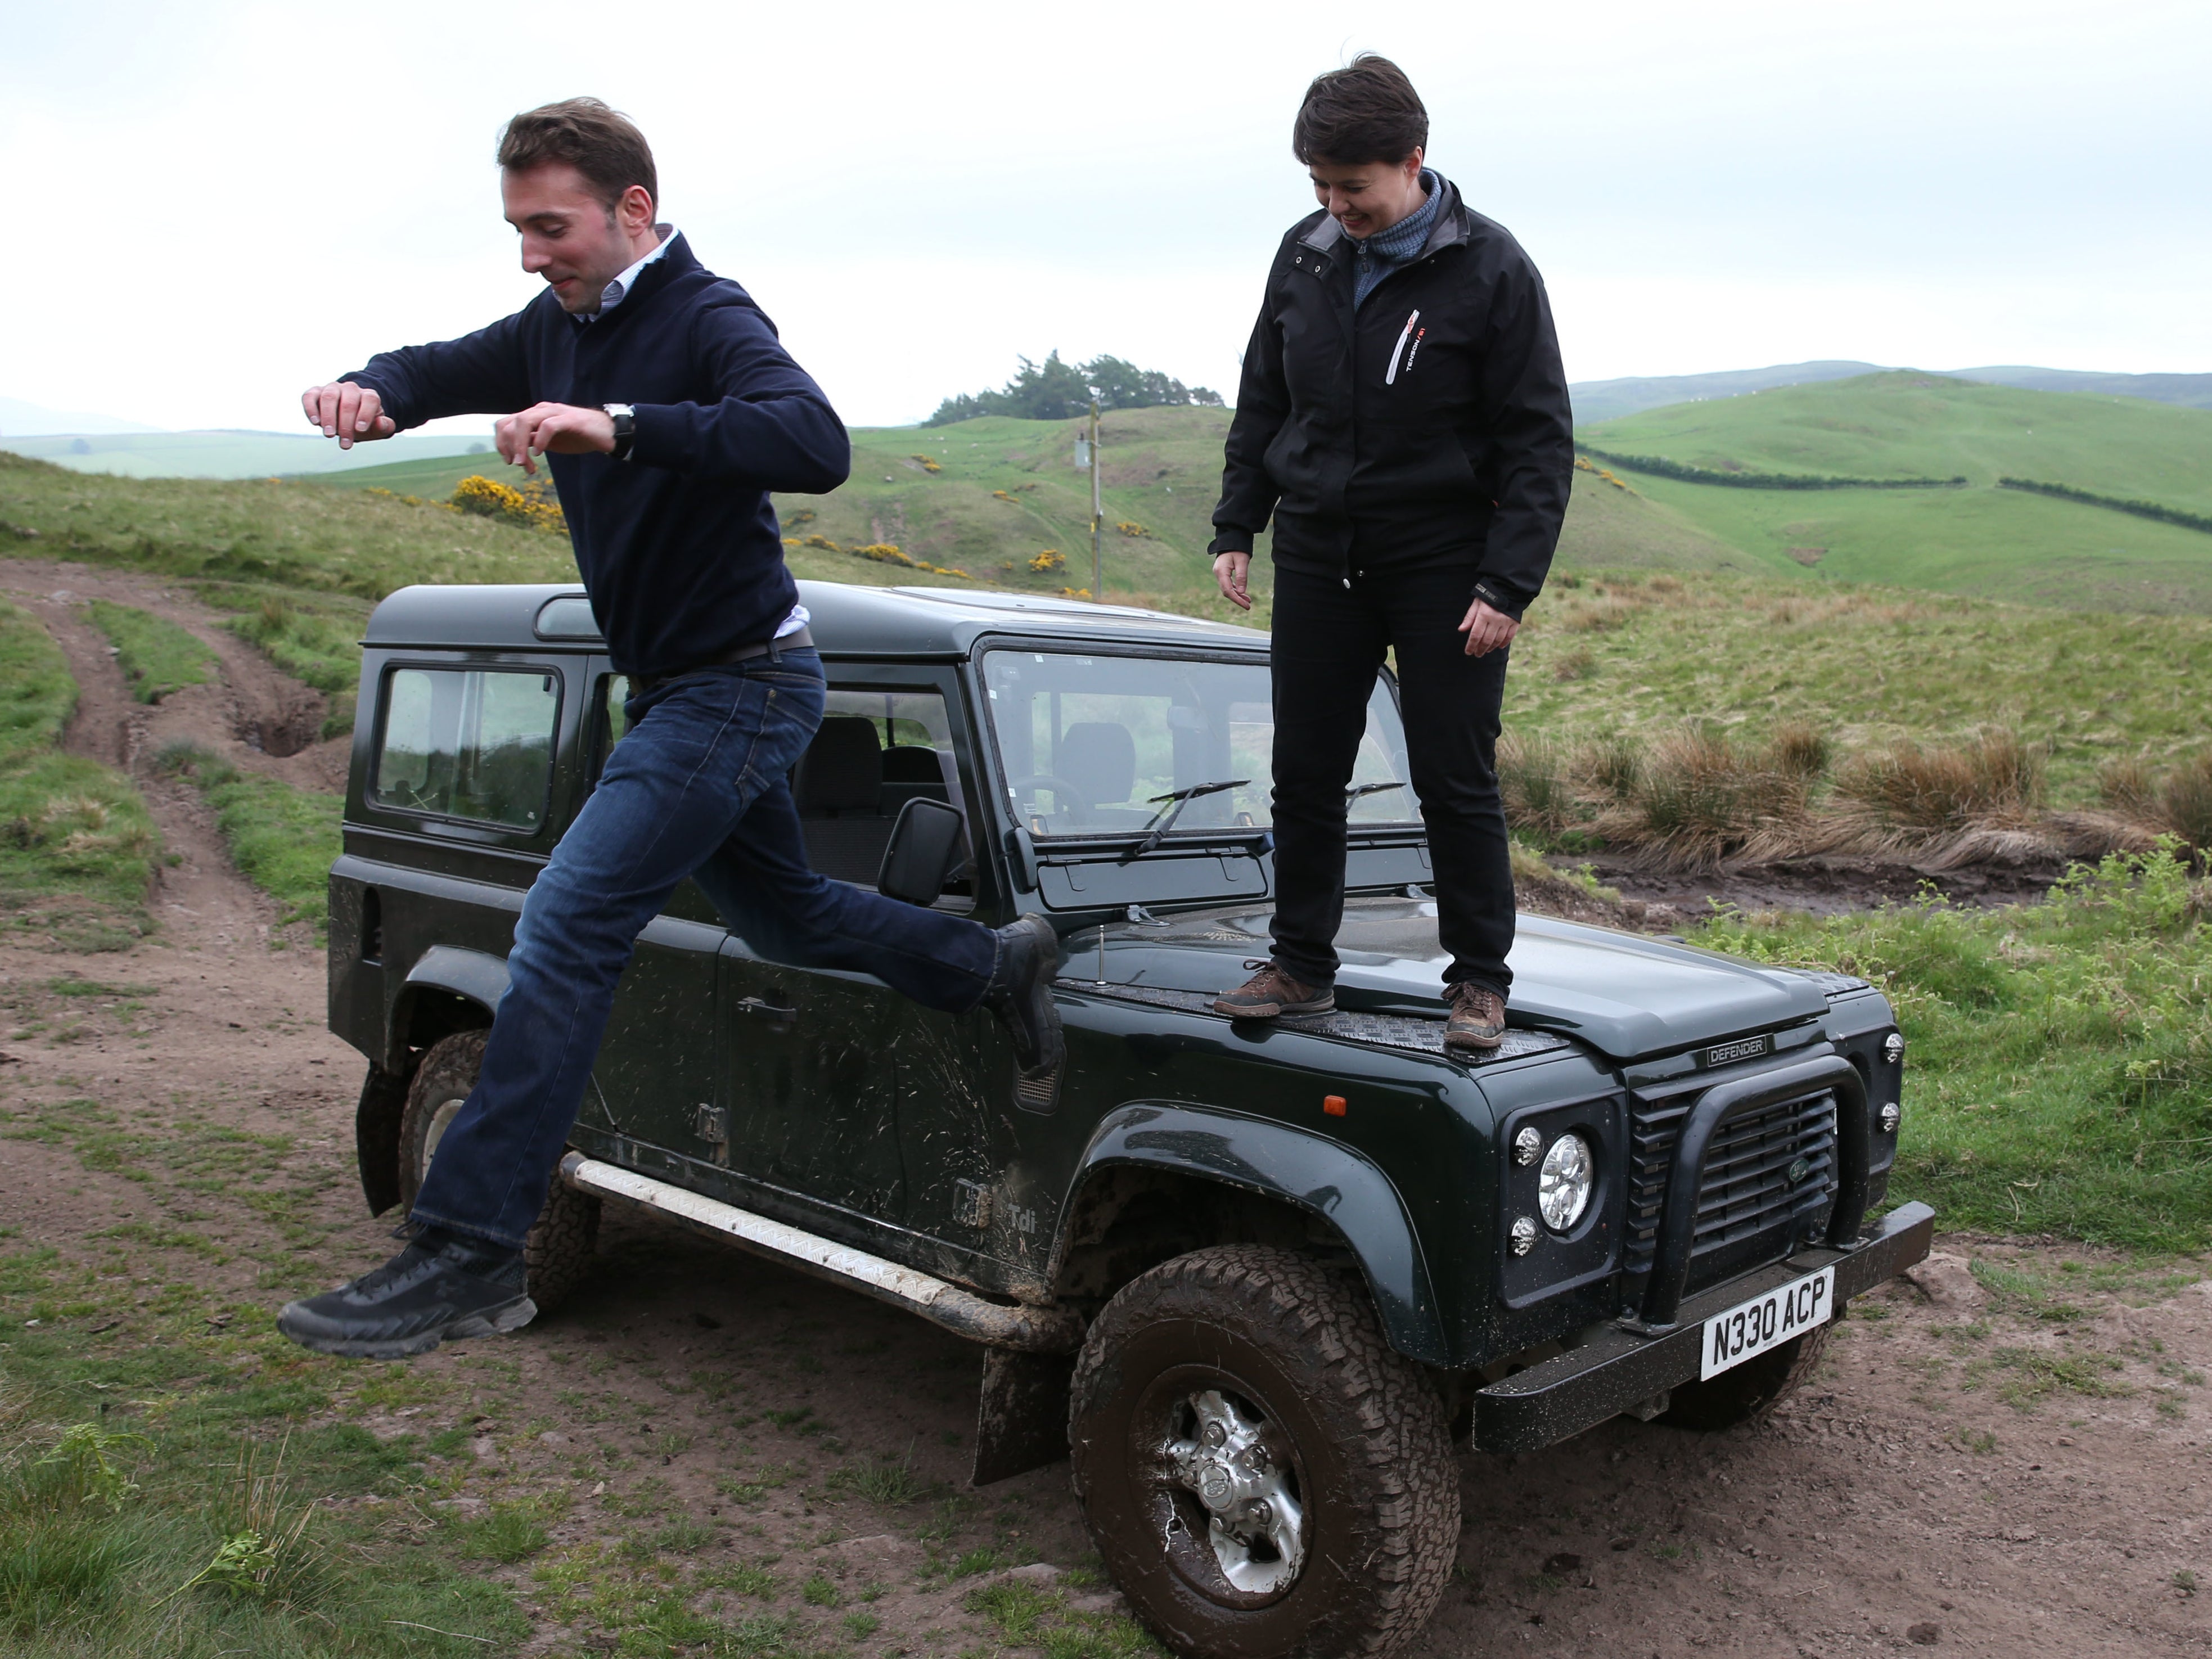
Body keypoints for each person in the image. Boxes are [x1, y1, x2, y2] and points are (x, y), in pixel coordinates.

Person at [277, 98, 1062, 1359]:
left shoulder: (706, 316)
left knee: (568, 916)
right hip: (681, 686)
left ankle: (472, 1249)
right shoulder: (556, 327)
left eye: (551, 226)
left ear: (631, 210)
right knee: (785, 914)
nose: (532, 253)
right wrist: (370, 390)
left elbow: (812, 442)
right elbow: (444, 366)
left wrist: (621, 428)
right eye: (517, 230)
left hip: (740, 682)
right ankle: (990, 967)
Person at [1208, 56, 1573, 1053]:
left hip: (1445, 563)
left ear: (1413, 161)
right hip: (1322, 553)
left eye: (1354, 189)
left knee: (1453, 774)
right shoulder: (1305, 252)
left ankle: (1478, 983)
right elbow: (1264, 396)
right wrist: (1238, 523)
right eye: (1320, 188)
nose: (1337, 207)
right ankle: (1298, 964)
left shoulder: (1491, 268)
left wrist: (1507, 583)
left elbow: (1538, 440)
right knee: (1304, 769)